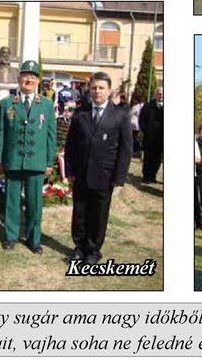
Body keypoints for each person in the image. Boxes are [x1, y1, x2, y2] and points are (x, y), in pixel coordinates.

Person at [63, 72, 133, 265]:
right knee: (80, 212)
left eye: (101, 88)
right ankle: (79, 247)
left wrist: (119, 177)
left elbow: (126, 149)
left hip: (105, 175)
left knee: (99, 213)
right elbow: (70, 145)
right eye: (94, 88)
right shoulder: (80, 113)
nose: (97, 91)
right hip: (81, 173)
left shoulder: (120, 115)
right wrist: (69, 171)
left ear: (109, 90)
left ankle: (93, 250)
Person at [0, 59, 57, 254]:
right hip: (13, 160)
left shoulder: (46, 105)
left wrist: (49, 162)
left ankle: (33, 239)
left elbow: (50, 136)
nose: (28, 79)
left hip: (36, 162)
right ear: (19, 79)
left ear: (38, 81)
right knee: (12, 202)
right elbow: (1, 134)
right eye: (25, 76)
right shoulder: (7, 103)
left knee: (34, 204)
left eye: (33, 76)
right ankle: (11, 236)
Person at [139, 87, 164, 183]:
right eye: (159, 93)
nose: (161, 95)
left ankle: (153, 176)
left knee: (157, 160)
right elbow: (141, 120)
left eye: (162, 94)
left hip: (161, 139)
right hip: (149, 138)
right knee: (148, 158)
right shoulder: (148, 106)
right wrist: (146, 131)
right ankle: (146, 177)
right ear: (155, 94)